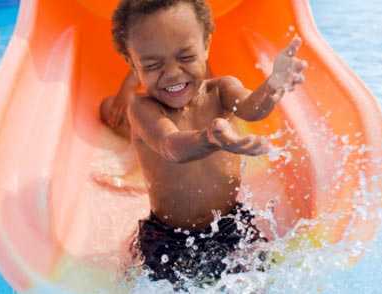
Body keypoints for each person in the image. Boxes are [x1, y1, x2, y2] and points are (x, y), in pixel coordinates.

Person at [100, 0, 307, 290]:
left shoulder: (222, 90)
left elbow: (252, 108)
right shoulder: (143, 109)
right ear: (132, 64)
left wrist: (273, 85)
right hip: (168, 236)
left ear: (206, 45)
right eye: (153, 65)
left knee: (267, 280)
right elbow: (171, 146)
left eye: (185, 56)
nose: (172, 74)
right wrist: (210, 138)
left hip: (231, 224)